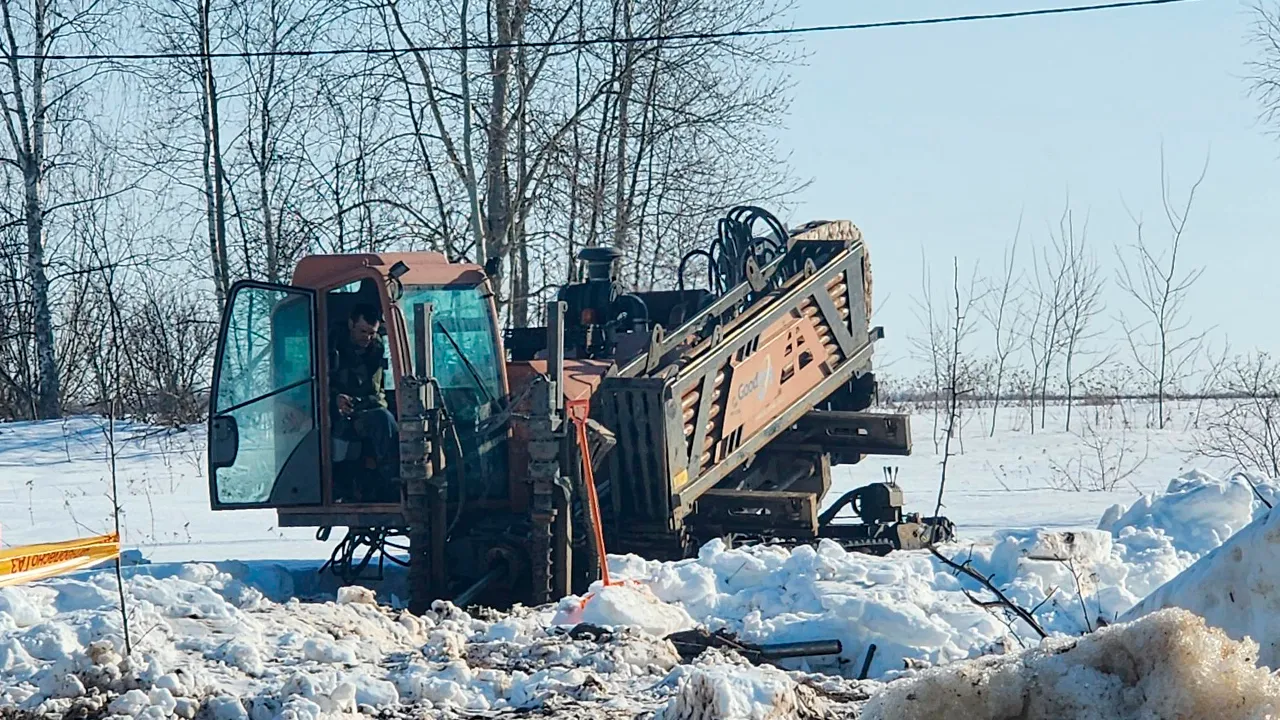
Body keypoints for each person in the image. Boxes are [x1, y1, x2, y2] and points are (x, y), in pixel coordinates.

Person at [330, 303, 398, 498]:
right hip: (337, 415)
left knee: (386, 417)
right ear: (351, 324)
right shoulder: (331, 347)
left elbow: (378, 393)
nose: (367, 337)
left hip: (367, 410)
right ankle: (393, 482)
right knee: (381, 420)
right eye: (362, 331)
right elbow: (315, 385)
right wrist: (334, 399)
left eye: (371, 332)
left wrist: (364, 402)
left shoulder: (376, 349)